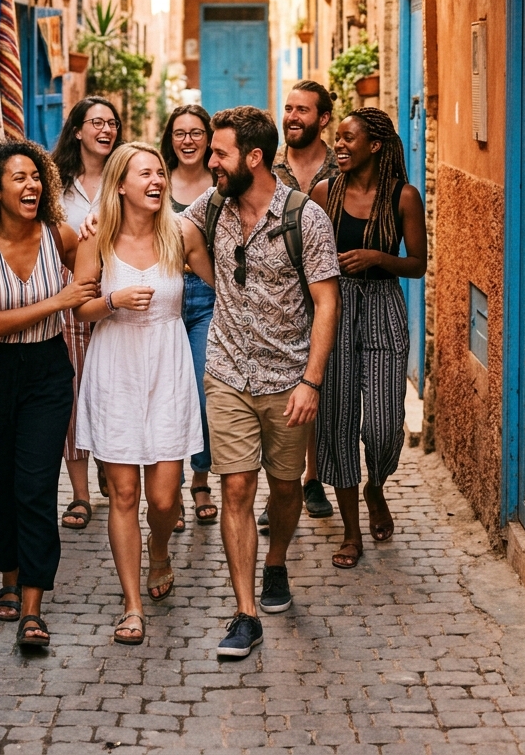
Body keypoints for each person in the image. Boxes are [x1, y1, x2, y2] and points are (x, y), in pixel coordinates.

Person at [181, 107, 341, 659]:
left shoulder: (305, 218)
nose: (211, 162)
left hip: (286, 380)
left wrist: (311, 382)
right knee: (236, 488)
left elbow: (326, 302)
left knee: (287, 486)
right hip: (226, 371)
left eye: (220, 153)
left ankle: (277, 564)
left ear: (252, 158)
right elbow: (170, 227)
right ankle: (245, 612)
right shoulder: (214, 204)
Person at [0, 140, 98, 647]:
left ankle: (33, 606)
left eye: (36, 177)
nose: (31, 185)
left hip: (45, 371)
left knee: (36, 485)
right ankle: (8, 580)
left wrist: (96, 244)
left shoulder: (57, 234)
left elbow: (91, 271)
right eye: (19, 178)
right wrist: (57, 300)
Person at [73, 143, 207, 645]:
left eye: (159, 173)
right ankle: (131, 605)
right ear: (121, 185)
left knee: (165, 497)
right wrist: (113, 300)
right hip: (117, 371)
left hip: (168, 370)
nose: (156, 180)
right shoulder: (98, 239)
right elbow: (78, 308)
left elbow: (223, 287)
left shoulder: (181, 232)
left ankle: (160, 550)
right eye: (144, 173)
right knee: (124, 494)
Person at [310, 107, 427, 570]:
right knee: (337, 422)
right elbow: (307, 258)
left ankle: (376, 484)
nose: (338, 145)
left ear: (374, 146)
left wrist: (379, 256)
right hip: (334, 311)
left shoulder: (404, 197)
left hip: (383, 308)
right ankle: (351, 531)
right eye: (336, 138)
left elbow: (418, 263)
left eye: (347, 139)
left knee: (382, 423)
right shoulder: (323, 193)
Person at [51, 96, 123, 530]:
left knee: (114, 392)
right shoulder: (56, 185)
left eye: (112, 123)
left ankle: (114, 473)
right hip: (74, 301)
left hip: (120, 301)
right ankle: (80, 495)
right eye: (96, 122)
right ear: (77, 130)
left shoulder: (126, 177)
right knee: (75, 393)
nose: (106, 129)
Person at [270, 80, 340, 524]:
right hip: (278, 294)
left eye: (303, 110)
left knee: (320, 384)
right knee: (282, 387)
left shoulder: (344, 163)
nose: (292, 117)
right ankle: (285, 487)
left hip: (330, 289)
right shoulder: (269, 166)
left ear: (323, 118)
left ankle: (314, 478)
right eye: (289, 108)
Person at [160, 105, 218, 525]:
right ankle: (172, 488)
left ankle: (200, 476)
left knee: (202, 393)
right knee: (166, 395)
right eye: (180, 133)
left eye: (196, 132)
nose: (188, 140)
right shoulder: (158, 180)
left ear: (208, 137)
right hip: (163, 297)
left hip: (208, 298)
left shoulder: (222, 182)